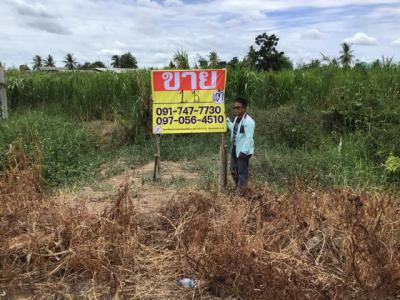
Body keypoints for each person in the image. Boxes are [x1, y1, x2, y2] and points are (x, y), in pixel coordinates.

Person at [226, 97, 255, 194]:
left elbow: (249, 138)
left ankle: (241, 192)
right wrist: (227, 121)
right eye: (234, 108)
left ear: (244, 108)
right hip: (235, 147)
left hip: (243, 151)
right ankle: (241, 188)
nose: (236, 110)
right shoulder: (236, 119)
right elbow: (234, 130)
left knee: (242, 171)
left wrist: (244, 152)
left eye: (238, 108)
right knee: (233, 170)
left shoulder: (249, 122)